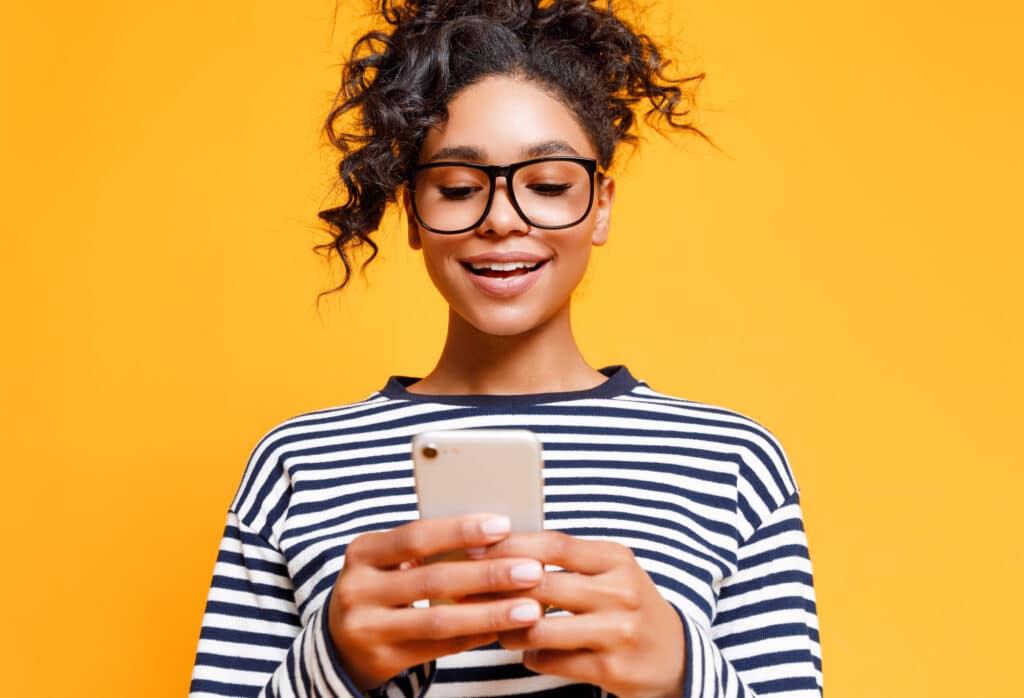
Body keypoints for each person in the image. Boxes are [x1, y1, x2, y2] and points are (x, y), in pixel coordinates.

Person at [188, 1, 823, 696]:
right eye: (458, 189)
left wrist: (679, 672)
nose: (501, 219)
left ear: (601, 203)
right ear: (412, 215)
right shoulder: (295, 465)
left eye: (548, 185)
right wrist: (336, 661)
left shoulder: (730, 460)